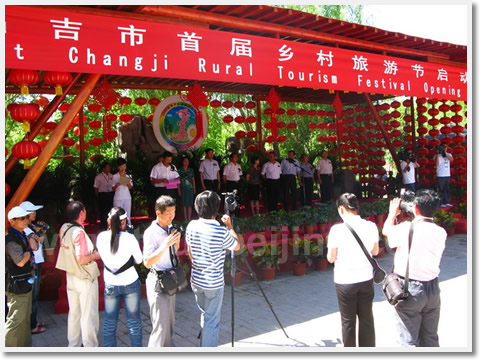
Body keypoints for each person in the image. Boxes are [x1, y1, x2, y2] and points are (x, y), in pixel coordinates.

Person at [382, 189, 447, 347]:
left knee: (408, 341)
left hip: (410, 290)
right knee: (430, 338)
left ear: (415, 207)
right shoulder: (441, 232)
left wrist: (392, 213)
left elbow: (386, 231)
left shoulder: (406, 228)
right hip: (432, 289)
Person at [185, 191, 242, 347]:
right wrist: (230, 226)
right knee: (212, 321)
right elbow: (236, 246)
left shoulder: (191, 226)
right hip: (214, 283)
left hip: (196, 280)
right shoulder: (220, 231)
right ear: (216, 209)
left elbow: (189, 251)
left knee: (206, 315)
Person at [327, 193, 379, 347]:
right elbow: (375, 251)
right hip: (366, 279)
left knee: (348, 322)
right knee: (367, 320)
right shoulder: (371, 226)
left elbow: (330, 257)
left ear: (341, 209)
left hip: (345, 281)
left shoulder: (336, 230)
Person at [56, 201, 101, 347]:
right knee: (89, 315)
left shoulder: (64, 228)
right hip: (84, 277)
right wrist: (95, 256)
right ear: (81, 213)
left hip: (71, 275)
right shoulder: (79, 232)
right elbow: (81, 259)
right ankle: (90, 348)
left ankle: (73, 346)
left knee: (74, 313)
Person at [96, 207, 143, 347]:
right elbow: (139, 260)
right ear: (124, 222)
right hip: (130, 282)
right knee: (134, 322)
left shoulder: (101, 237)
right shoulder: (129, 238)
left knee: (109, 323)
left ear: (108, 221)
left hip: (111, 283)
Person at [143, 196, 181, 347]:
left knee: (169, 324)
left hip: (170, 279)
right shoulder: (150, 232)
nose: (171, 216)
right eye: (168, 213)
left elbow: (174, 251)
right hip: (158, 281)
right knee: (160, 326)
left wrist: (176, 242)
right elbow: (147, 262)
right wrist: (165, 244)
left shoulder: (170, 227)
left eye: (174, 212)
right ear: (158, 213)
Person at [5, 206, 37, 347]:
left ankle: (24, 349)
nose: (25, 221)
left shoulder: (21, 234)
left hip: (24, 283)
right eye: (21, 218)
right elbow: (20, 261)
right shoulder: (11, 238)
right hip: (17, 285)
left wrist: (28, 252)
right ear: (12, 221)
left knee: (24, 319)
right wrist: (29, 253)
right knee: (15, 321)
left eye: (26, 217)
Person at [19, 201, 48, 335]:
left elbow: (40, 241)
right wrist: (39, 232)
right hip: (32, 264)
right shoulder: (25, 229)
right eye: (32, 211)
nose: (35, 213)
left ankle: (34, 321)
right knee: (33, 295)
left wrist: (42, 231)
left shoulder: (30, 227)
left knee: (35, 294)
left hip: (37, 261)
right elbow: (34, 244)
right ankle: (31, 325)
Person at [94, 162, 115, 230]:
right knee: (103, 212)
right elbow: (96, 187)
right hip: (102, 195)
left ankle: (111, 226)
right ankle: (103, 227)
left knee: (110, 210)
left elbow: (113, 185)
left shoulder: (111, 176)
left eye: (109, 167)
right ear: (103, 169)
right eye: (107, 167)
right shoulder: (98, 177)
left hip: (110, 194)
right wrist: (98, 196)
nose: (109, 168)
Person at [113, 158, 133, 225]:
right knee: (118, 215)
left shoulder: (128, 176)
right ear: (118, 167)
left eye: (124, 166)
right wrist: (117, 184)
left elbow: (130, 187)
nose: (123, 168)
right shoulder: (114, 176)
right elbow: (111, 188)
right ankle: (118, 229)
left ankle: (128, 227)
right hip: (118, 198)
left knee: (127, 214)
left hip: (127, 197)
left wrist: (126, 181)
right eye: (121, 167)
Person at [222, 153, 243, 217]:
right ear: (231, 158)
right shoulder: (228, 166)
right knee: (231, 198)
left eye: (237, 157)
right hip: (231, 183)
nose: (236, 158)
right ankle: (231, 213)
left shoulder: (238, 165)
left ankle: (237, 213)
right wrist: (227, 184)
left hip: (237, 183)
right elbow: (224, 176)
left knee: (238, 198)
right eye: (235, 157)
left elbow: (240, 174)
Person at [178, 156, 196, 221]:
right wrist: (179, 190)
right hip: (183, 188)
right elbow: (178, 181)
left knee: (190, 204)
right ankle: (185, 219)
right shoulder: (179, 170)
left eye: (187, 161)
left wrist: (194, 188)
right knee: (184, 204)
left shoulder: (191, 170)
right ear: (182, 162)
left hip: (190, 188)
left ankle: (189, 218)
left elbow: (193, 180)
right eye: (185, 161)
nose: (186, 162)